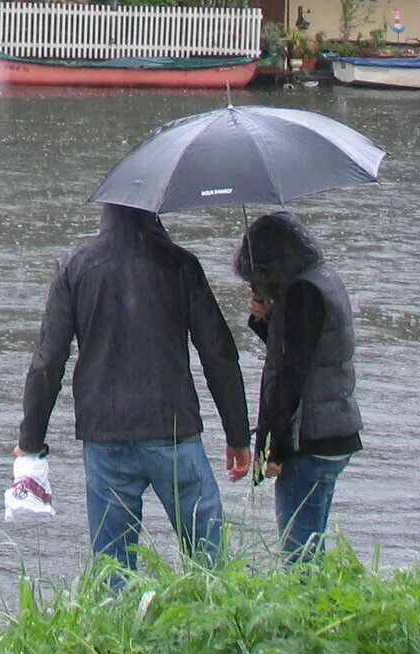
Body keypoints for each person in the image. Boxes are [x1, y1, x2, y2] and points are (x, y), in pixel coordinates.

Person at [16, 204, 252, 571]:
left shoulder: (74, 267)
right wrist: (238, 436)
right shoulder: (182, 265)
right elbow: (218, 354)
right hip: (173, 430)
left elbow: (48, 362)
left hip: (104, 435)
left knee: (113, 568)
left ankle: (119, 623)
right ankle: (217, 623)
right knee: (211, 562)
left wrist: (30, 442)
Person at [232, 211, 361, 561]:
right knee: (311, 548)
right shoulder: (323, 279)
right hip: (336, 431)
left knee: (298, 557)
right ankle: (317, 609)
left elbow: (288, 377)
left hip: (311, 439)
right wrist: (267, 321)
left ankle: (303, 614)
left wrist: (271, 452)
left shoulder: (302, 294)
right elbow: (308, 352)